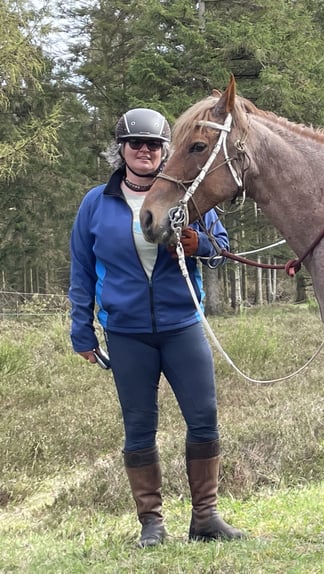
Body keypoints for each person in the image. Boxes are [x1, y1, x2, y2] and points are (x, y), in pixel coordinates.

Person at [68, 108, 245, 546]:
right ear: (122, 150)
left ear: (166, 150)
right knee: (139, 428)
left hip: (182, 325)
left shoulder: (188, 197)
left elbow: (221, 250)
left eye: (153, 145)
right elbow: (82, 271)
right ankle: (152, 524)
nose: (145, 151)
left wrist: (197, 242)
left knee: (203, 421)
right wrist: (81, 331)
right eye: (136, 144)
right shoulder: (95, 204)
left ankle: (205, 518)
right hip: (127, 334)